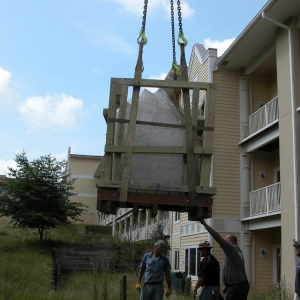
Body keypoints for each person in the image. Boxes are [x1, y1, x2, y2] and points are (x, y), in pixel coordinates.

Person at [200, 219, 250, 300]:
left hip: (237, 286)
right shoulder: (235, 252)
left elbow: (217, 237)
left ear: (233, 242)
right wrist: (226, 285)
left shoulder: (232, 248)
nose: (224, 244)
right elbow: (231, 270)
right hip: (238, 285)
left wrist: (204, 224)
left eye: (226, 241)